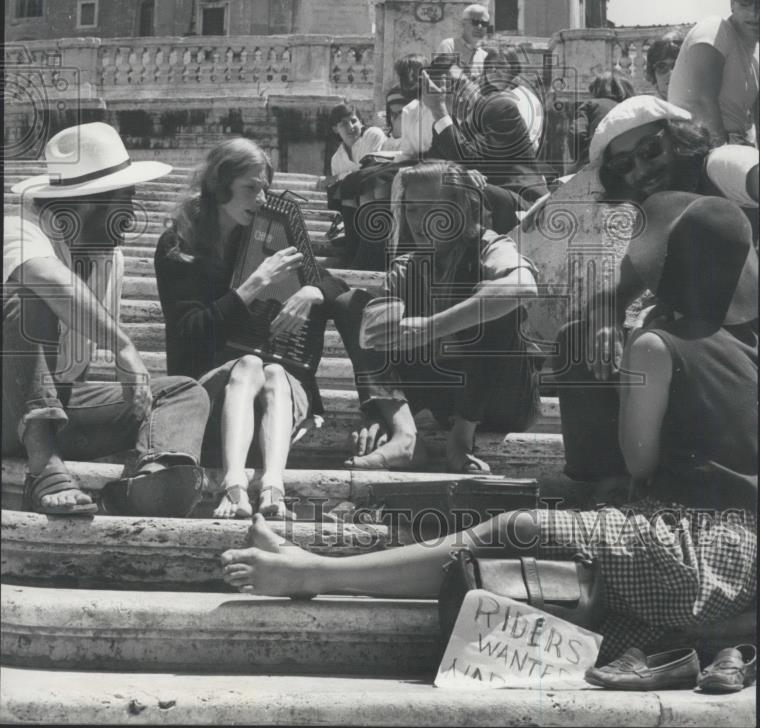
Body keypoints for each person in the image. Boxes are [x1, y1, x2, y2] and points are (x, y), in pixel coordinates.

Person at [223, 192, 757, 668]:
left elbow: (640, 462)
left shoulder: (656, 346)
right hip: (739, 554)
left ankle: (313, 572)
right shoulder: (749, 350)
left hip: (688, 548)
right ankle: (314, 568)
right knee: (538, 565)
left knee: (514, 529)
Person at [3, 122, 210, 517]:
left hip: (61, 405)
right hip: (4, 407)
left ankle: (152, 482)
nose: (131, 216)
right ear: (84, 203)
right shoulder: (18, 227)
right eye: (123, 200)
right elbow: (50, 281)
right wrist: (123, 347)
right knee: (24, 299)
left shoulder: (107, 256)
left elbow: (75, 371)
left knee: (182, 391)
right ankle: (43, 467)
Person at [550, 95, 758, 481]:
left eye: (650, 149)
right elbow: (617, 286)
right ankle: (602, 482)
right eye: (624, 165)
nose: (642, 169)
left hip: (744, 338)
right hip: (701, 342)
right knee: (579, 339)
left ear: (677, 139)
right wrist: (605, 319)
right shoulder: (657, 210)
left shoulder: (717, 166)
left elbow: (748, 169)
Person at [154, 138, 347, 519]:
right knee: (249, 365)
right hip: (207, 388)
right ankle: (235, 486)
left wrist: (311, 290)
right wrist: (253, 285)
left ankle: (272, 487)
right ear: (219, 185)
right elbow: (189, 331)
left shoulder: (265, 230)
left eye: (265, 188)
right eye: (251, 187)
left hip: (274, 396)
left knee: (271, 369)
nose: (262, 199)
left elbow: (336, 284)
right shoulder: (179, 245)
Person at [330, 161, 540, 473]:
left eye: (431, 209)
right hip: (441, 395)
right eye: (411, 209)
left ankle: (461, 438)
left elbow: (523, 286)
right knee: (353, 303)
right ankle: (403, 434)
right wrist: (375, 413)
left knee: (496, 297)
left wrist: (430, 328)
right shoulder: (405, 267)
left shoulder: (489, 245)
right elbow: (377, 352)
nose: (418, 221)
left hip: (502, 399)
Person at [421, 47, 549, 204]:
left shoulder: (501, 108)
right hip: (480, 201)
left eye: (458, 84)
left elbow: (478, 163)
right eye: (445, 92)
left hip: (517, 200)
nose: (456, 96)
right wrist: (460, 172)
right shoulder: (446, 126)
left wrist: (439, 111)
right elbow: (433, 167)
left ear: (471, 81)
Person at [668, 0, 759, 145]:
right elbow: (703, 100)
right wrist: (725, 152)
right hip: (696, 145)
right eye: (745, 1)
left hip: (734, 143)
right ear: (732, 1)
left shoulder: (757, 55)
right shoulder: (715, 30)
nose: (754, 13)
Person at [320, 104, 387, 264]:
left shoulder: (373, 135)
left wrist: (338, 177)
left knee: (364, 187)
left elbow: (369, 170)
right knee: (347, 195)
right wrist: (339, 180)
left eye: (354, 121)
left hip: (381, 198)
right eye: (344, 123)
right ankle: (353, 247)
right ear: (335, 129)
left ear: (361, 123)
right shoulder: (337, 158)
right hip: (357, 206)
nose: (351, 127)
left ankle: (366, 250)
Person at [571, 72, 634, 169]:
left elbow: (576, 133)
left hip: (593, 164)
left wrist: (582, 156)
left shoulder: (590, 105)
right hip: (624, 165)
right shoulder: (629, 109)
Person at [435, 3, 490, 81]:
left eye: (484, 23)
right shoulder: (449, 46)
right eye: (475, 22)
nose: (480, 27)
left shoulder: (484, 56)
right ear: (463, 23)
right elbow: (438, 78)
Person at [644, 33, 682, 100]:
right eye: (661, 67)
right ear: (653, 74)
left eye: (677, 66)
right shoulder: (648, 109)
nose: (670, 73)